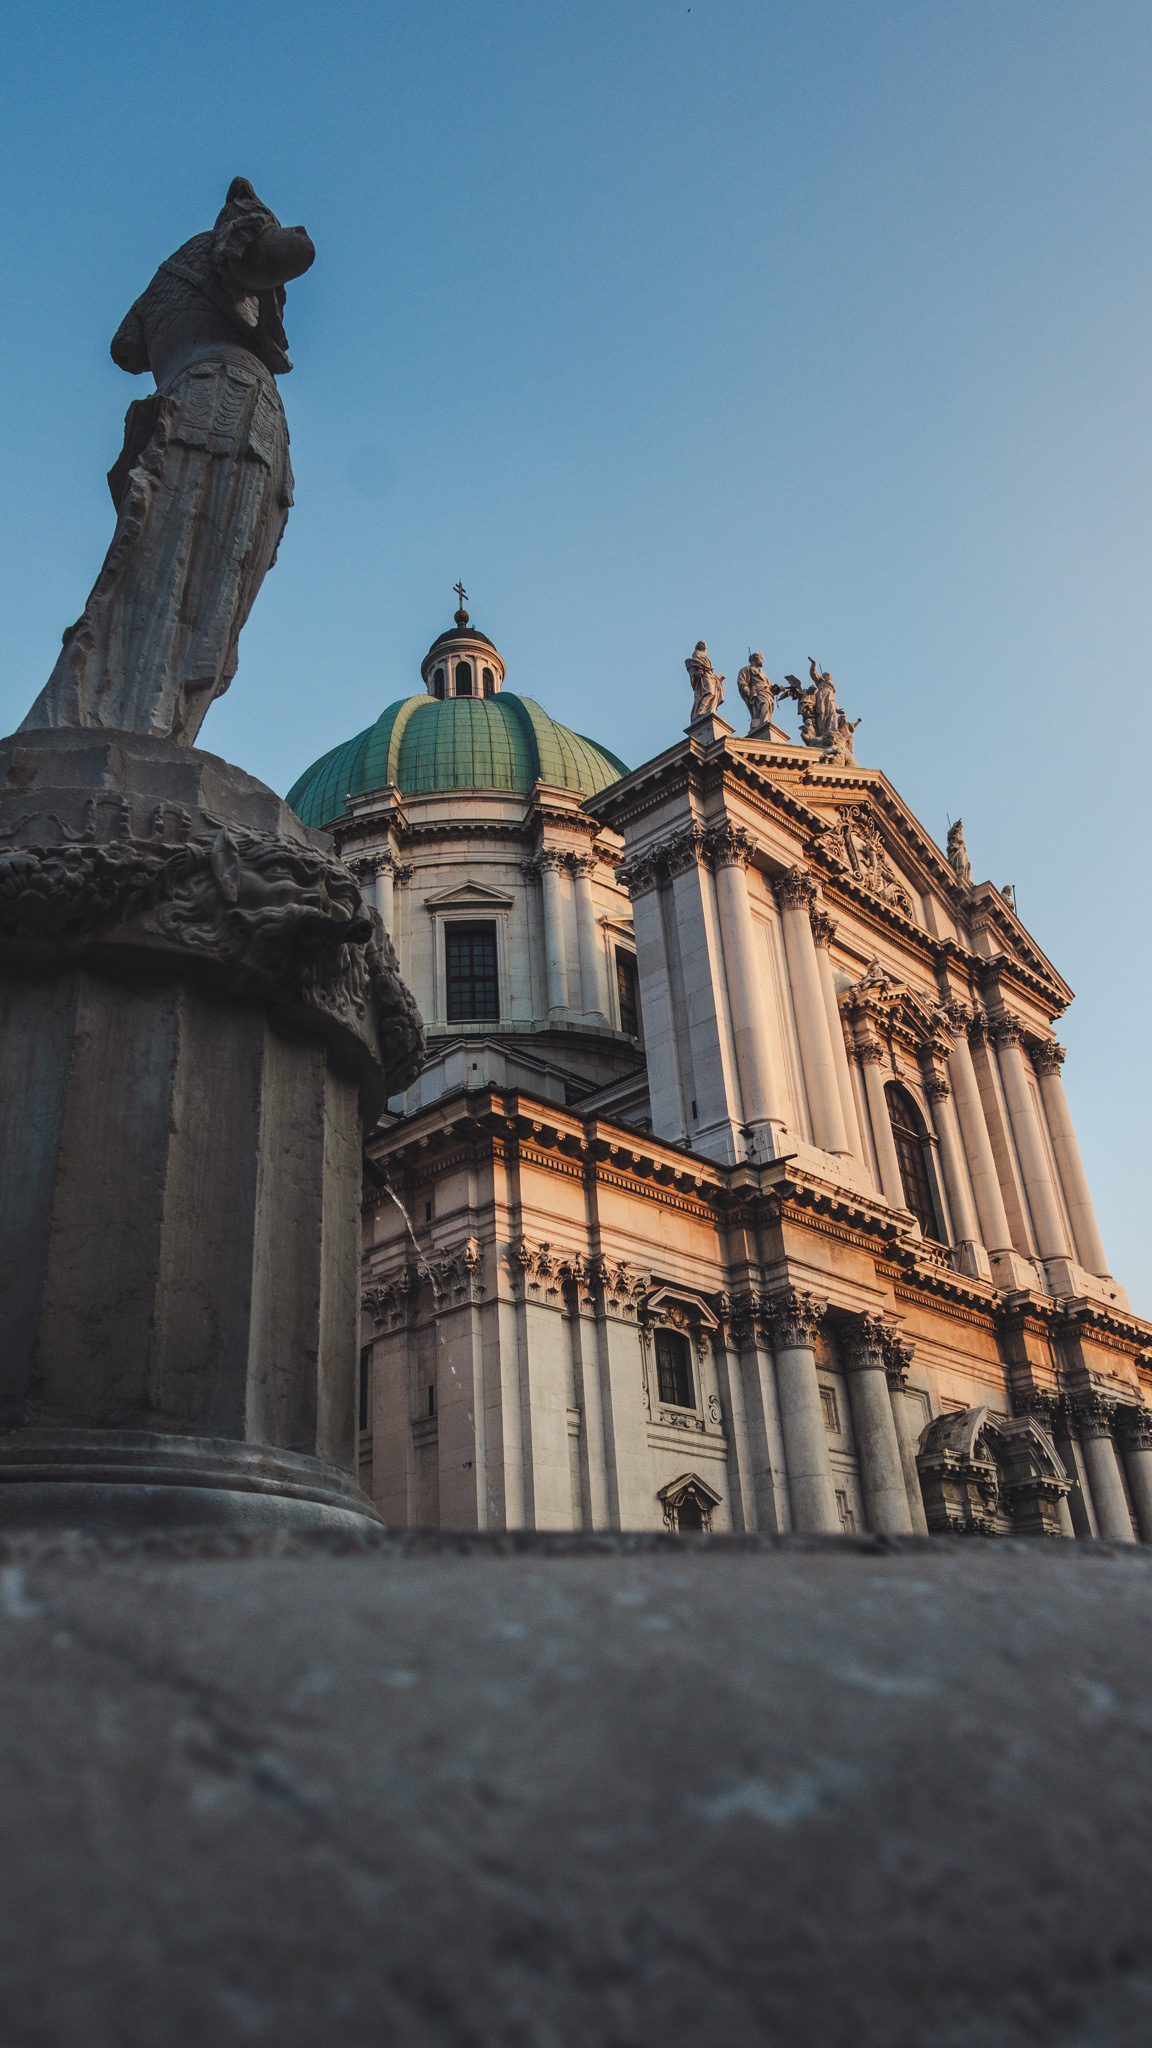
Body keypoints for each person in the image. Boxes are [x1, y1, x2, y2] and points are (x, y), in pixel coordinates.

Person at [21, 179, 315, 746]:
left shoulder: (167, 288)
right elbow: (294, 252)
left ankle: (144, 720)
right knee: (190, 571)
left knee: (192, 574)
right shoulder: (223, 248)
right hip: (223, 406)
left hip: (203, 403)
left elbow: (124, 346)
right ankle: (137, 721)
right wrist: (263, 229)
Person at [685, 641, 725, 720]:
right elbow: (694, 664)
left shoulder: (706, 657)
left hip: (710, 675)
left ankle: (709, 710)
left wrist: (717, 677)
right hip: (704, 675)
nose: (704, 646)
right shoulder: (697, 653)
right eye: (702, 644)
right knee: (710, 692)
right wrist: (696, 673)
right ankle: (700, 711)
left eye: (705, 644)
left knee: (713, 693)